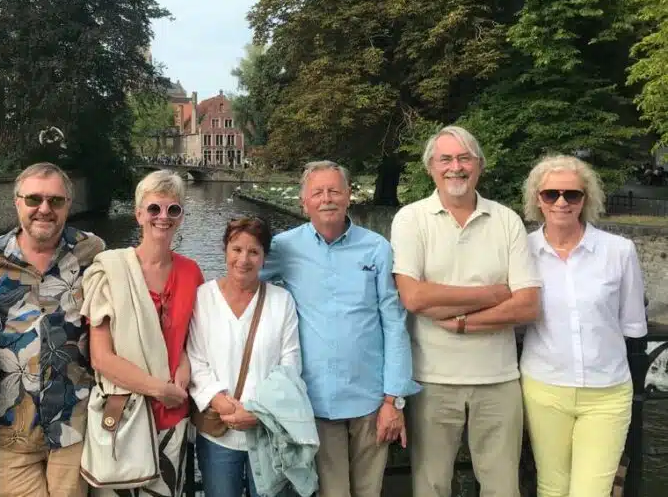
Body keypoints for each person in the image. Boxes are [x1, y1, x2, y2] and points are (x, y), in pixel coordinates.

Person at [390, 126, 541, 497]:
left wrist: (460, 323)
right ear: (430, 168)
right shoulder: (411, 219)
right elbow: (414, 297)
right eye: (445, 159)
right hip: (431, 378)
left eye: (464, 158)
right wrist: (492, 293)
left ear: (479, 166)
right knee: (431, 486)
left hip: (498, 378)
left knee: (502, 487)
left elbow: (527, 303)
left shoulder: (506, 220)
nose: (455, 167)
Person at [261, 160, 419, 497]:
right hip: (315, 400)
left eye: (334, 191)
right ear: (304, 201)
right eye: (317, 192)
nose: (327, 199)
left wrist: (393, 399)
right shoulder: (284, 248)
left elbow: (394, 323)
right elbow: (242, 280)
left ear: (349, 196)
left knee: (369, 491)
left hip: (371, 399)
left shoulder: (376, 248)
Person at [0, 162, 106, 497]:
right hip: (9, 428)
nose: (44, 209)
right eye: (34, 199)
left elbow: (125, 305)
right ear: (17, 202)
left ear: (69, 204)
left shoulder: (92, 252)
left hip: (74, 424)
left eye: (56, 200)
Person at [519, 155, 647, 497]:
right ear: (537, 199)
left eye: (572, 194)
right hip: (545, 386)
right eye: (551, 194)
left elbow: (633, 323)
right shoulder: (522, 251)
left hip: (607, 391)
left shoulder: (619, 251)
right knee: (552, 487)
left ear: (585, 199)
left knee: (591, 491)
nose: (561, 202)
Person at [81, 170, 204, 497]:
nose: (163, 217)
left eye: (173, 209)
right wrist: (159, 389)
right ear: (138, 214)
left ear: (181, 217)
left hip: (173, 418)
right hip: (124, 415)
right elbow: (101, 358)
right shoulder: (111, 271)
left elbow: (191, 340)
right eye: (154, 208)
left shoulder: (191, 273)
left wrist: (185, 364)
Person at [187, 216, 303, 497]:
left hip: (267, 431)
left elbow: (290, 364)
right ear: (225, 250)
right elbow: (195, 358)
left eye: (253, 251)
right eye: (236, 249)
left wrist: (259, 412)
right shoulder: (204, 297)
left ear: (264, 257)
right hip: (219, 431)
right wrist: (218, 399)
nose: (243, 259)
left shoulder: (281, 301)